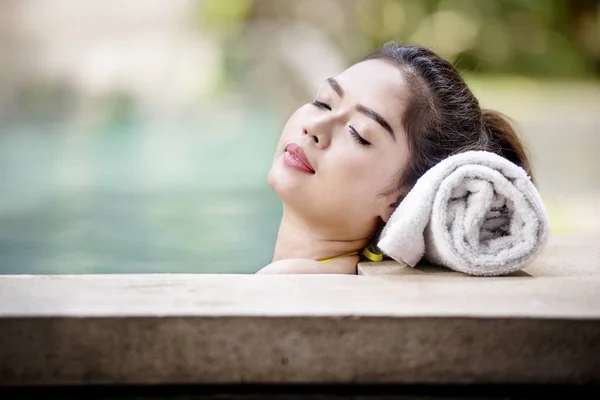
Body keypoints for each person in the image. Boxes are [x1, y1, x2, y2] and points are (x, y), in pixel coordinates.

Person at [256, 41, 533, 275]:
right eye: (323, 102)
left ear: (401, 200)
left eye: (359, 134)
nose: (315, 127)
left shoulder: (289, 283)